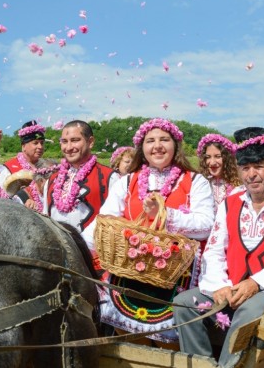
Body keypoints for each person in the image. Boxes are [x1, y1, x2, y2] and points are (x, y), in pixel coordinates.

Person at [173, 127, 264, 367]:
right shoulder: (230, 205)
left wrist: (255, 283)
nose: (252, 174)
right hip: (233, 285)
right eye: (245, 168)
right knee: (185, 303)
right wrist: (219, 286)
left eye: (259, 166)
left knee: (249, 311)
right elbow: (215, 251)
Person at [82, 117, 214, 346]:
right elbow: (104, 220)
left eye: (164, 139)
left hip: (175, 275)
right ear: (142, 148)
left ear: (176, 145)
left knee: (168, 343)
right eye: (150, 141)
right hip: (128, 274)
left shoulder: (195, 181)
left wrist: (164, 215)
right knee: (130, 341)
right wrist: (77, 248)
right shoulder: (127, 181)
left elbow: (206, 225)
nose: (157, 146)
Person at [43, 120, 117, 231]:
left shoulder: (109, 177)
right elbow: (45, 218)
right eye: (64, 141)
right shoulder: (52, 180)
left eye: (75, 140)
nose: (68, 147)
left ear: (90, 142)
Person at [0, 120, 46, 190]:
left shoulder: (47, 168)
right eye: (35, 143)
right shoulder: (9, 168)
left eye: (42, 143)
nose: (40, 147)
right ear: (24, 146)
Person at [196, 133, 242, 211]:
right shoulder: (200, 185)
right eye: (208, 157)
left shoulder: (239, 186)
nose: (212, 162)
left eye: (218, 156)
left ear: (227, 159)